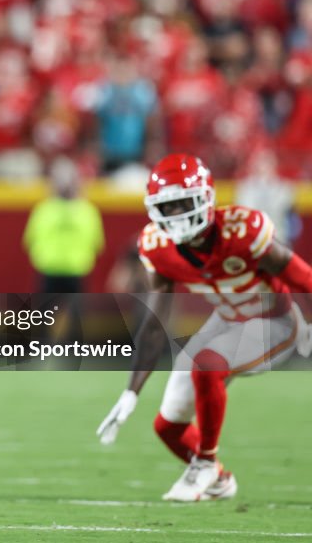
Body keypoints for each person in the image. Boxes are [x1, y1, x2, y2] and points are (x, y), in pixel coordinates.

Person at [96, 153, 312, 502]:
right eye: (168, 207)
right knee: (168, 426)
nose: (178, 215)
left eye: (185, 203)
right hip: (227, 320)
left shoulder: (242, 231)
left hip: (275, 321)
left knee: (206, 365)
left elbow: (303, 277)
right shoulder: (158, 247)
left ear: (206, 198)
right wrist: (131, 391)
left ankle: (206, 463)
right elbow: (154, 325)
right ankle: (220, 480)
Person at [22, 157, 104, 293]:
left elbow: (29, 241)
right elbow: (98, 244)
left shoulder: (43, 209)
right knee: (75, 313)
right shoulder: (87, 210)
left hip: (51, 269)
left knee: (45, 313)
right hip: (75, 270)